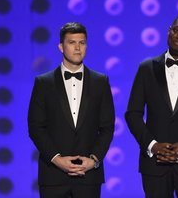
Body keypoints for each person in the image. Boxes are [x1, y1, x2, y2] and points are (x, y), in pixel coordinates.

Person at [28, 22, 115, 198]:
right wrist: (57, 159)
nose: (77, 48)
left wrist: (94, 160)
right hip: (53, 176)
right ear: (61, 47)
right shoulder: (44, 83)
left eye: (82, 43)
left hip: (88, 176)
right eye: (72, 42)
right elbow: (36, 127)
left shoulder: (101, 82)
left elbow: (107, 126)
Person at [125, 15, 178, 198]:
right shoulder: (147, 68)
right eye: (177, 30)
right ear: (168, 31)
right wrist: (153, 145)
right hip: (154, 164)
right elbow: (133, 114)